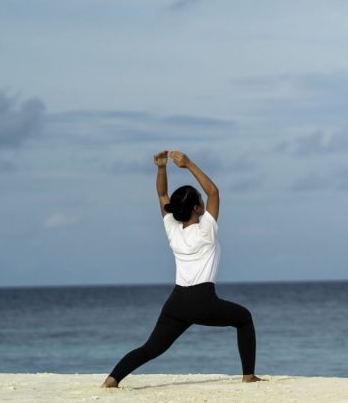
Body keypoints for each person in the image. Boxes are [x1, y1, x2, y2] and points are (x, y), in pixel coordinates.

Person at [102, 150, 263, 387]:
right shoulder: (206, 229)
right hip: (202, 301)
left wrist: (161, 168)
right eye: (200, 199)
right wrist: (188, 164)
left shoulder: (172, 229)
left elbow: (162, 194)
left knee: (151, 348)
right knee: (244, 319)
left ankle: (112, 379)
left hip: (176, 303)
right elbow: (214, 191)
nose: (203, 200)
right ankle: (248, 376)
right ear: (198, 208)